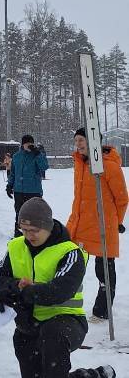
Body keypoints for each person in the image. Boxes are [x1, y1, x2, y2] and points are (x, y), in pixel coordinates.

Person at [0, 196, 116, 378]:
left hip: (67, 321)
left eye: (34, 229)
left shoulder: (70, 252)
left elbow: (59, 291)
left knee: (53, 335)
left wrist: (26, 291)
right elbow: (0, 276)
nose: (29, 235)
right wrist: (10, 290)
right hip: (29, 324)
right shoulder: (15, 247)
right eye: (24, 228)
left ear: (48, 226)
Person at [67, 128, 127, 322]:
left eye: (81, 140)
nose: (78, 144)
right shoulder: (79, 164)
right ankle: (68, 306)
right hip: (79, 224)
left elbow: (122, 198)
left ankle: (102, 311)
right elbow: (79, 198)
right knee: (71, 266)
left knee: (104, 271)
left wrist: (116, 222)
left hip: (103, 226)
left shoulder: (109, 166)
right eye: (76, 140)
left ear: (94, 141)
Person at [6, 134, 49, 236]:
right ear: (23, 144)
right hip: (19, 191)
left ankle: (35, 234)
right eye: (27, 143)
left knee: (34, 214)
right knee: (19, 213)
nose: (29, 145)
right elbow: (13, 173)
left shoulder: (37, 155)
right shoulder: (16, 156)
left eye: (31, 143)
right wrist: (9, 185)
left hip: (34, 191)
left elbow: (44, 167)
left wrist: (38, 154)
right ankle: (19, 234)